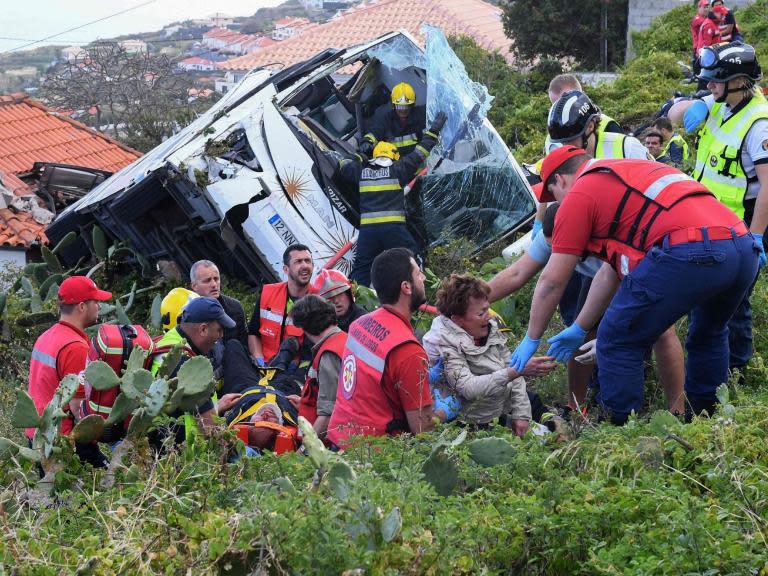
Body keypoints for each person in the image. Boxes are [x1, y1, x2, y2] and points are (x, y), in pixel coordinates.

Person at [510, 146, 759, 424]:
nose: (557, 204)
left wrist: (531, 338)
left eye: (553, 195)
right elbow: (610, 272)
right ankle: (707, 420)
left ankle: (621, 431)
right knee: (709, 332)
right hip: (742, 244)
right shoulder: (625, 176)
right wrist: (580, 327)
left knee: (616, 339)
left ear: (561, 180)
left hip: (691, 248)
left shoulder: (580, 193)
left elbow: (551, 280)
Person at [669, 41, 768, 374]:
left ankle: (737, 372)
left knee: (733, 307)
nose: (709, 86)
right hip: (708, 224)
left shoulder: (759, 124)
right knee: (707, 302)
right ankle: (715, 371)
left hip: (742, 231)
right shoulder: (719, 103)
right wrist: (688, 106)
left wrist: (756, 237)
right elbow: (672, 115)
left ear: (738, 81)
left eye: (715, 81)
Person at [327, 248, 454, 447]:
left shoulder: (359, 324)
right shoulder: (408, 351)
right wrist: (444, 412)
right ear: (406, 287)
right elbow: (423, 429)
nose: (423, 279)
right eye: (418, 274)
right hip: (374, 457)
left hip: (339, 439)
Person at [422, 274, 556, 436]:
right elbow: (468, 388)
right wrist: (516, 371)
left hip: (503, 400)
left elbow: (511, 365)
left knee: (548, 420)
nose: (488, 316)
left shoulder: (490, 324)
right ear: (457, 320)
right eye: (481, 313)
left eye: (488, 308)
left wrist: (521, 414)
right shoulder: (442, 343)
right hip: (474, 420)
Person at [337, 112, 446, 286]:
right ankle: (422, 291)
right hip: (393, 229)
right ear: (394, 156)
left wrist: (360, 155)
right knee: (412, 258)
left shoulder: (362, 172)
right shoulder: (399, 169)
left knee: (362, 269)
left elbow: (343, 165)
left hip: (368, 232)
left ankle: (357, 301)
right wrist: (434, 130)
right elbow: (421, 152)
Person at [27, 276, 112, 464]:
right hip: (63, 442)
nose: (99, 306)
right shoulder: (75, 347)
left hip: (38, 435)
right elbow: (77, 409)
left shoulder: (46, 336)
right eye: (96, 301)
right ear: (82, 307)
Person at [150, 297, 241, 442]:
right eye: (219, 330)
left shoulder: (170, 342)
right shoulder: (186, 365)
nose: (221, 336)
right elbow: (211, 430)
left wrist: (217, 406)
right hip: (178, 456)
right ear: (203, 329)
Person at [291, 294, 347, 439]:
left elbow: (328, 415)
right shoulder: (344, 340)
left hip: (329, 444)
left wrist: (304, 453)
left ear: (306, 326)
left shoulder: (329, 354)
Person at [247, 243, 314, 365]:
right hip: (264, 365)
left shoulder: (318, 300)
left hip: (294, 371)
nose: (305, 266)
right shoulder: (268, 293)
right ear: (286, 269)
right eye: (298, 261)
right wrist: (259, 360)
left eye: (308, 261)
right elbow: (253, 334)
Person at [190, 260, 247, 348]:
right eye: (207, 281)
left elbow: (244, 345)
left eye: (216, 279)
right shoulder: (186, 312)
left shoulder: (235, 307)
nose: (214, 284)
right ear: (194, 286)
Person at [360, 82, 427, 158]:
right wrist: (367, 141)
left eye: (406, 106)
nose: (403, 110)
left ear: (412, 104)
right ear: (393, 104)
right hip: (394, 164)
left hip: (417, 161)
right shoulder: (386, 119)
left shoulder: (420, 114)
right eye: (400, 107)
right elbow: (375, 132)